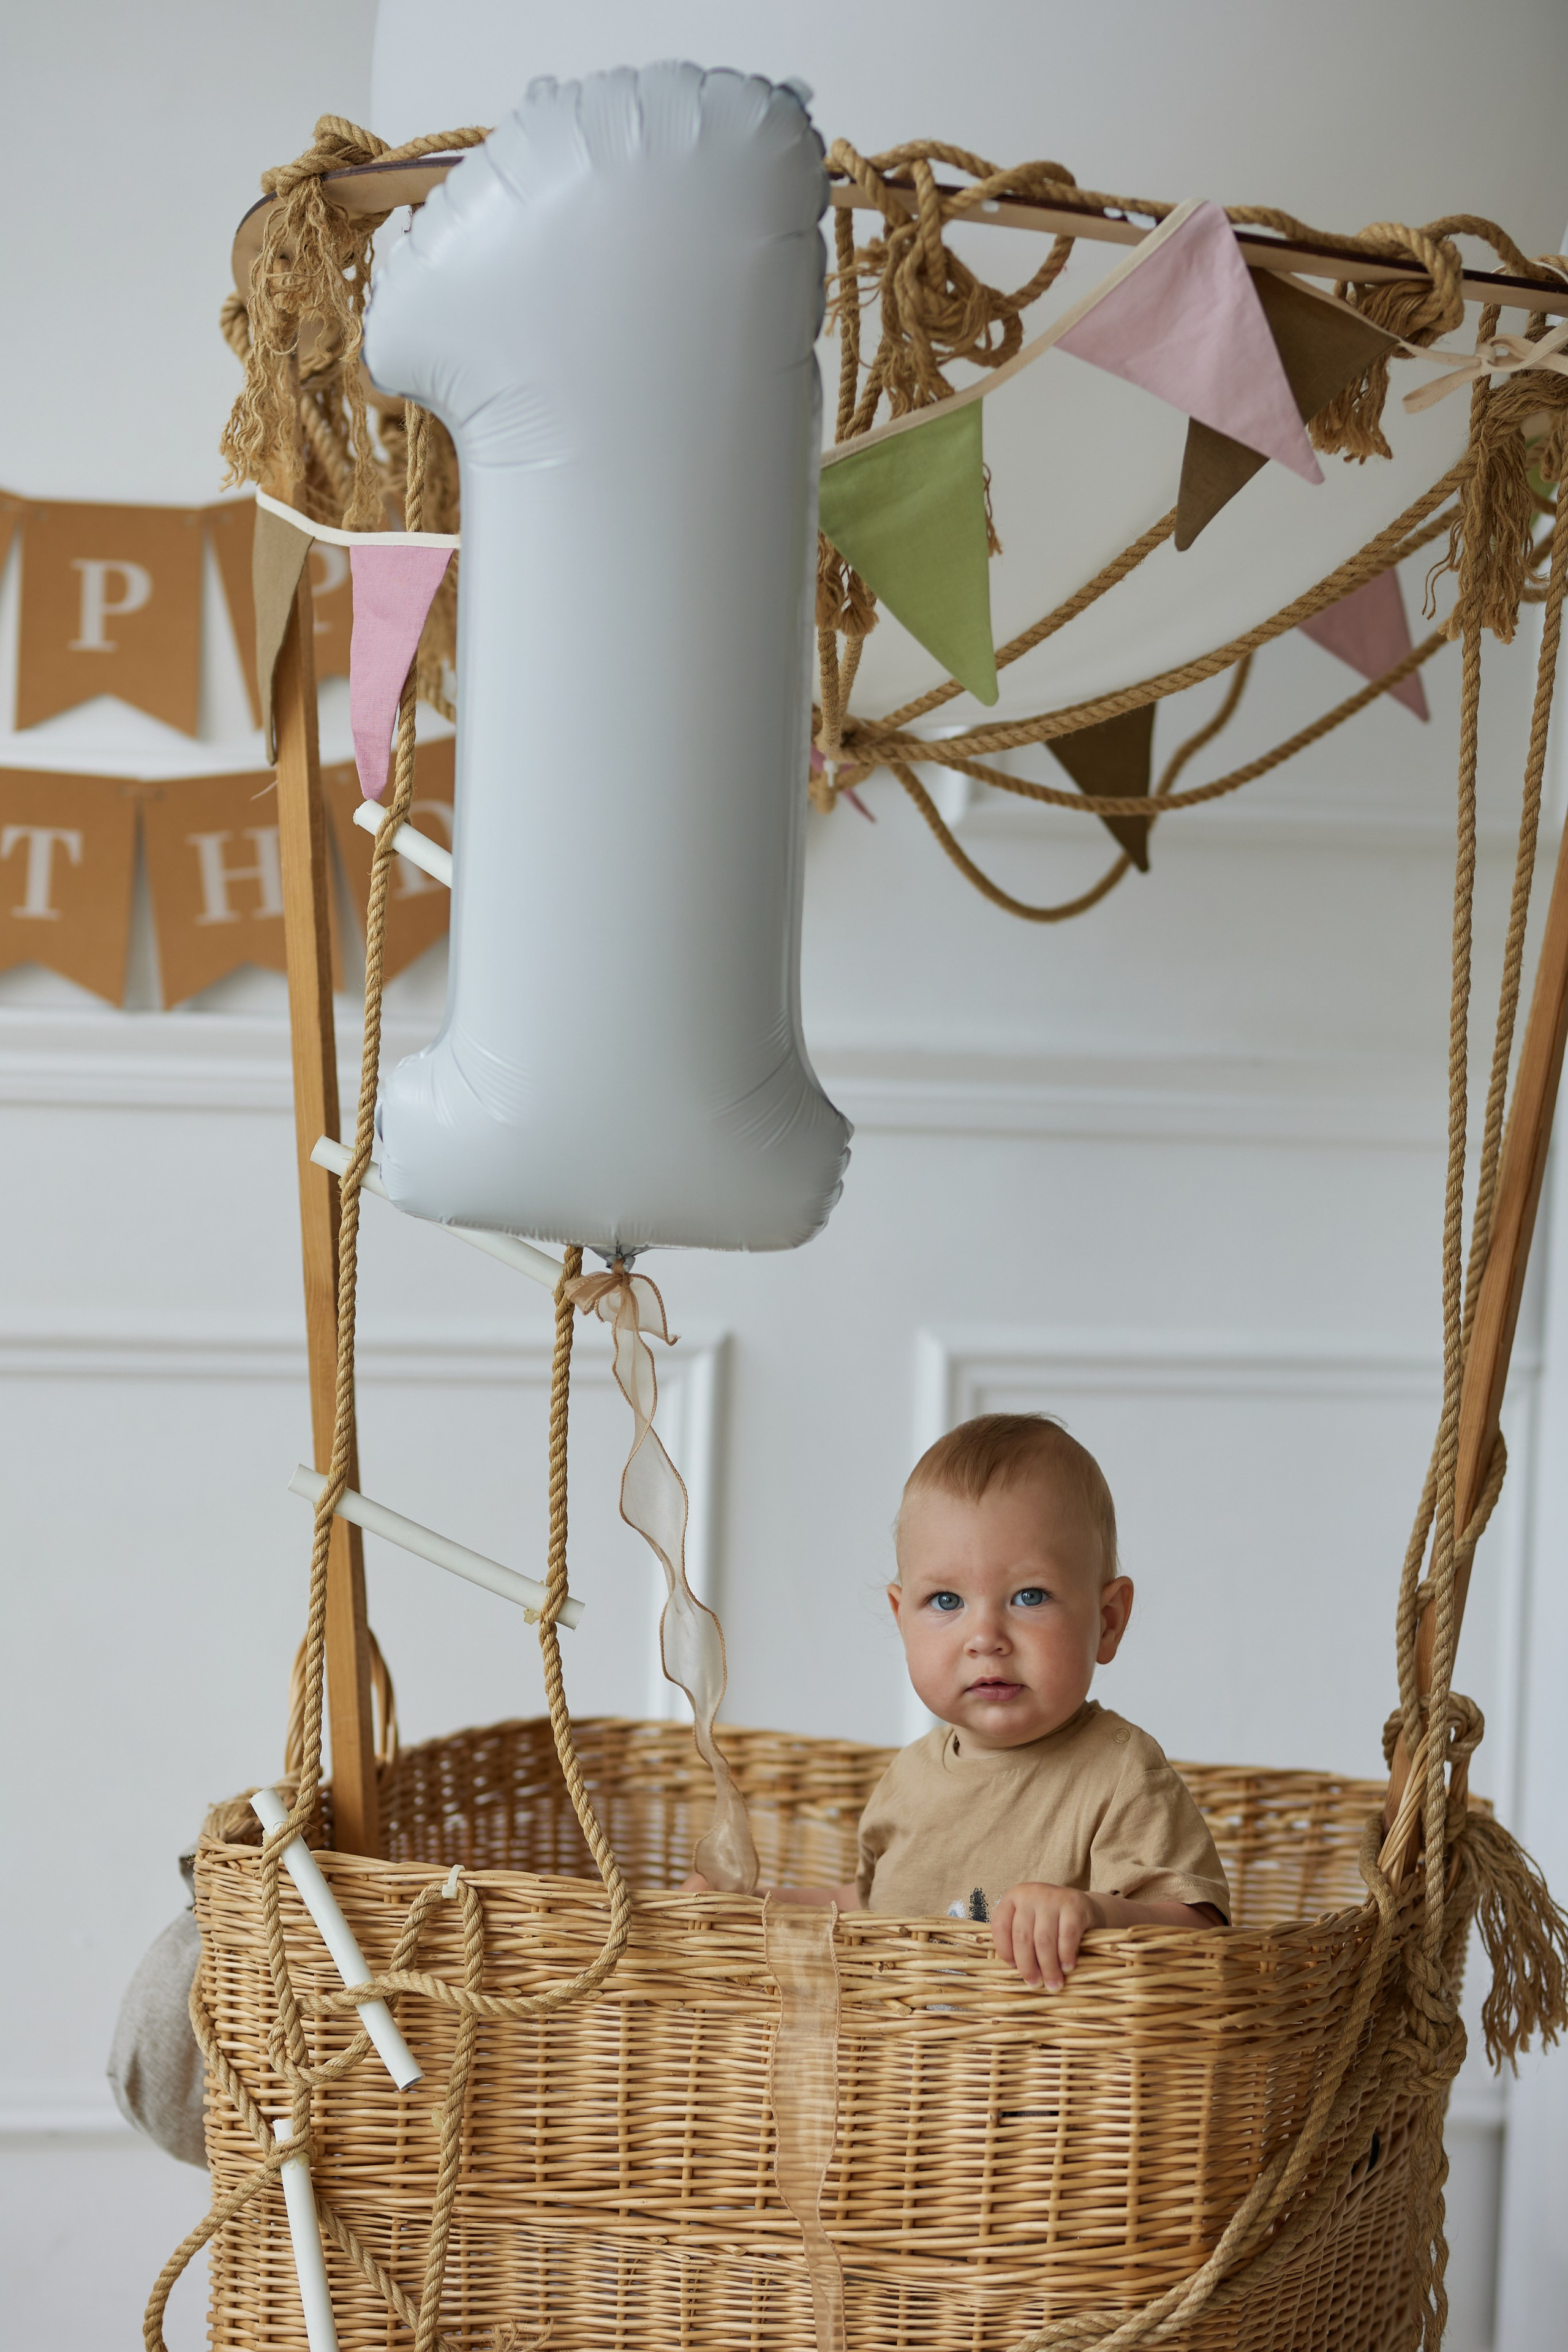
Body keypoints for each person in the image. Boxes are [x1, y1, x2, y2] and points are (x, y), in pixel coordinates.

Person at [687, 1413, 1228, 1989]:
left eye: (1029, 1596)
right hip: (908, 2070)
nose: (985, 1636)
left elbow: (1203, 1938)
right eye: (946, 1600)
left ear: (1108, 1621)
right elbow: (871, 1906)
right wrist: (755, 1905)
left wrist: (1096, 1913)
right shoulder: (910, 1779)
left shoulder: (1121, 1775)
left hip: (1051, 2071)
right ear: (902, 1620)